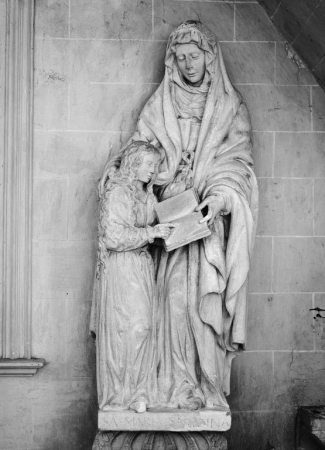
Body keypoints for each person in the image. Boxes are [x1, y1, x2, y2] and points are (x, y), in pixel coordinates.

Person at [99, 21, 258, 411]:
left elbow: (237, 166)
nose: (189, 64)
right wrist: (163, 183)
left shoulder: (229, 107)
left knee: (199, 308)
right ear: (173, 60)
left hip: (205, 227)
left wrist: (219, 199)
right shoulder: (159, 106)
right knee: (168, 305)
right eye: (182, 57)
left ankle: (203, 384)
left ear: (209, 56)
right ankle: (169, 385)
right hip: (166, 228)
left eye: (195, 55)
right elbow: (140, 161)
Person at [90, 141, 174, 414]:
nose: (153, 170)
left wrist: (168, 234)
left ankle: (139, 391)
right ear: (134, 163)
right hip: (122, 268)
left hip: (141, 266)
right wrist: (152, 234)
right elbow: (114, 237)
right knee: (128, 330)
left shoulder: (147, 195)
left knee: (146, 329)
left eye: (155, 165)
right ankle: (120, 395)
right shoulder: (118, 192)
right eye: (149, 164)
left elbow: (151, 231)